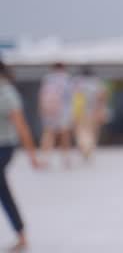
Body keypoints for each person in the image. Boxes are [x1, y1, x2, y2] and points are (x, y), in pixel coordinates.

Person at [0, 60, 44, 251]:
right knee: (2, 189)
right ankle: (21, 232)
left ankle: (20, 232)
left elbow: (21, 126)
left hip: (4, 147)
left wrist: (32, 155)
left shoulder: (7, 93)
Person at [37, 63, 74, 168]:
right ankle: (66, 158)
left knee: (48, 134)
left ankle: (44, 157)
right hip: (64, 111)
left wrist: (42, 109)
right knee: (64, 134)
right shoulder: (67, 78)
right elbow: (71, 96)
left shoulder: (47, 78)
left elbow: (42, 95)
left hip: (49, 111)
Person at [70, 66, 107, 161]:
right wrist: (101, 110)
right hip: (93, 110)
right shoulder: (96, 82)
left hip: (79, 111)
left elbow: (70, 97)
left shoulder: (76, 82)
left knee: (80, 131)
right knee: (92, 132)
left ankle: (85, 147)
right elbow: (102, 97)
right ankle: (88, 148)